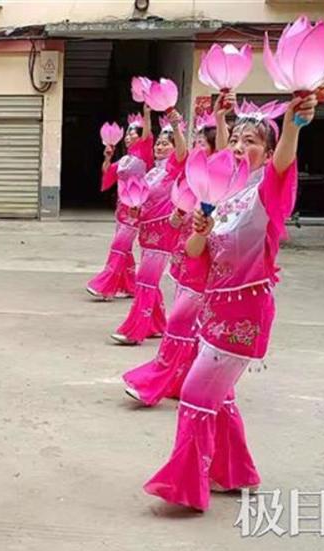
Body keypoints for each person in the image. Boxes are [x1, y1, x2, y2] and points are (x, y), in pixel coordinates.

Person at [143, 94, 317, 512]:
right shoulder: (227, 193)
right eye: (237, 138)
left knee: (196, 396)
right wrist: (201, 226)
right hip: (213, 311)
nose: (240, 146)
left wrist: (295, 120)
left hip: (244, 314)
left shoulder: (266, 191)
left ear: (268, 151)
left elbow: (284, 163)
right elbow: (195, 250)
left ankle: (185, 483)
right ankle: (234, 472)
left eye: (252, 140)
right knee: (219, 398)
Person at [121, 107, 222, 405]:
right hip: (180, 250)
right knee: (185, 323)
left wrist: (177, 123)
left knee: (178, 322)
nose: (196, 147)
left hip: (205, 262)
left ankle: (156, 381)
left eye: (202, 143)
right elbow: (176, 214)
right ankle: (184, 379)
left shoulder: (219, 180)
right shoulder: (182, 174)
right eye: (197, 142)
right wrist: (177, 217)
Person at [111, 106, 188, 345]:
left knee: (145, 280)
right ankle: (156, 324)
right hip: (147, 231)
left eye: (166, 144)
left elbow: (184, 154)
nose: (160, 146)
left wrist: (175, 126)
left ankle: (136, 330)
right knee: (149, 279)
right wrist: (136, 209)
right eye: (159, 144)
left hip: (164, 232)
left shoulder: (174, 168)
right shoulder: (153, 171)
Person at [86, 110, 155, 300]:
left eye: (133, 133)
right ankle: (128, 285)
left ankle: (105, 285)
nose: (128, 137)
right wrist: (108, 157)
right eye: (127, 134)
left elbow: (148, 133)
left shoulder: (145, 154)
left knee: (118, 246)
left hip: (135, 208)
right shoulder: (125, 160)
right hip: (121, 209)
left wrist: (147, 113)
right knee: (124, 248)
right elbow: (108, 174)